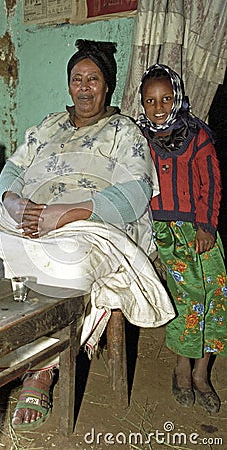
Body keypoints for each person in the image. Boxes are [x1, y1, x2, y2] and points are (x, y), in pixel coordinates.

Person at [0, 41, 175, 429]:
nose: (83, 87)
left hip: (84, 223)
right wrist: (15, 205)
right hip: (27, 219)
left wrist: (63, 215)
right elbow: (12, 171)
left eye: (92, 79)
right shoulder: (48, 126)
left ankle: (40, 368)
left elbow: (134, 193)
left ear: (106, 85)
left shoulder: (123, 131)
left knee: (71, 263)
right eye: (76, 79)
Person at [137, 63, 227, 414]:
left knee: (218, 291)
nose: (159, 107)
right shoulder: (140, 140)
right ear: (142, 104)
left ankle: (203, 371)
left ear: (178, 97)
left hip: (201, 229)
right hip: (166, 232)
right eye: (150, 101)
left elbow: (212, 183)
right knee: (189, 296)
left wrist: (206, 226)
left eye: (166, 98)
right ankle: (181, 367)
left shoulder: (197, 135)